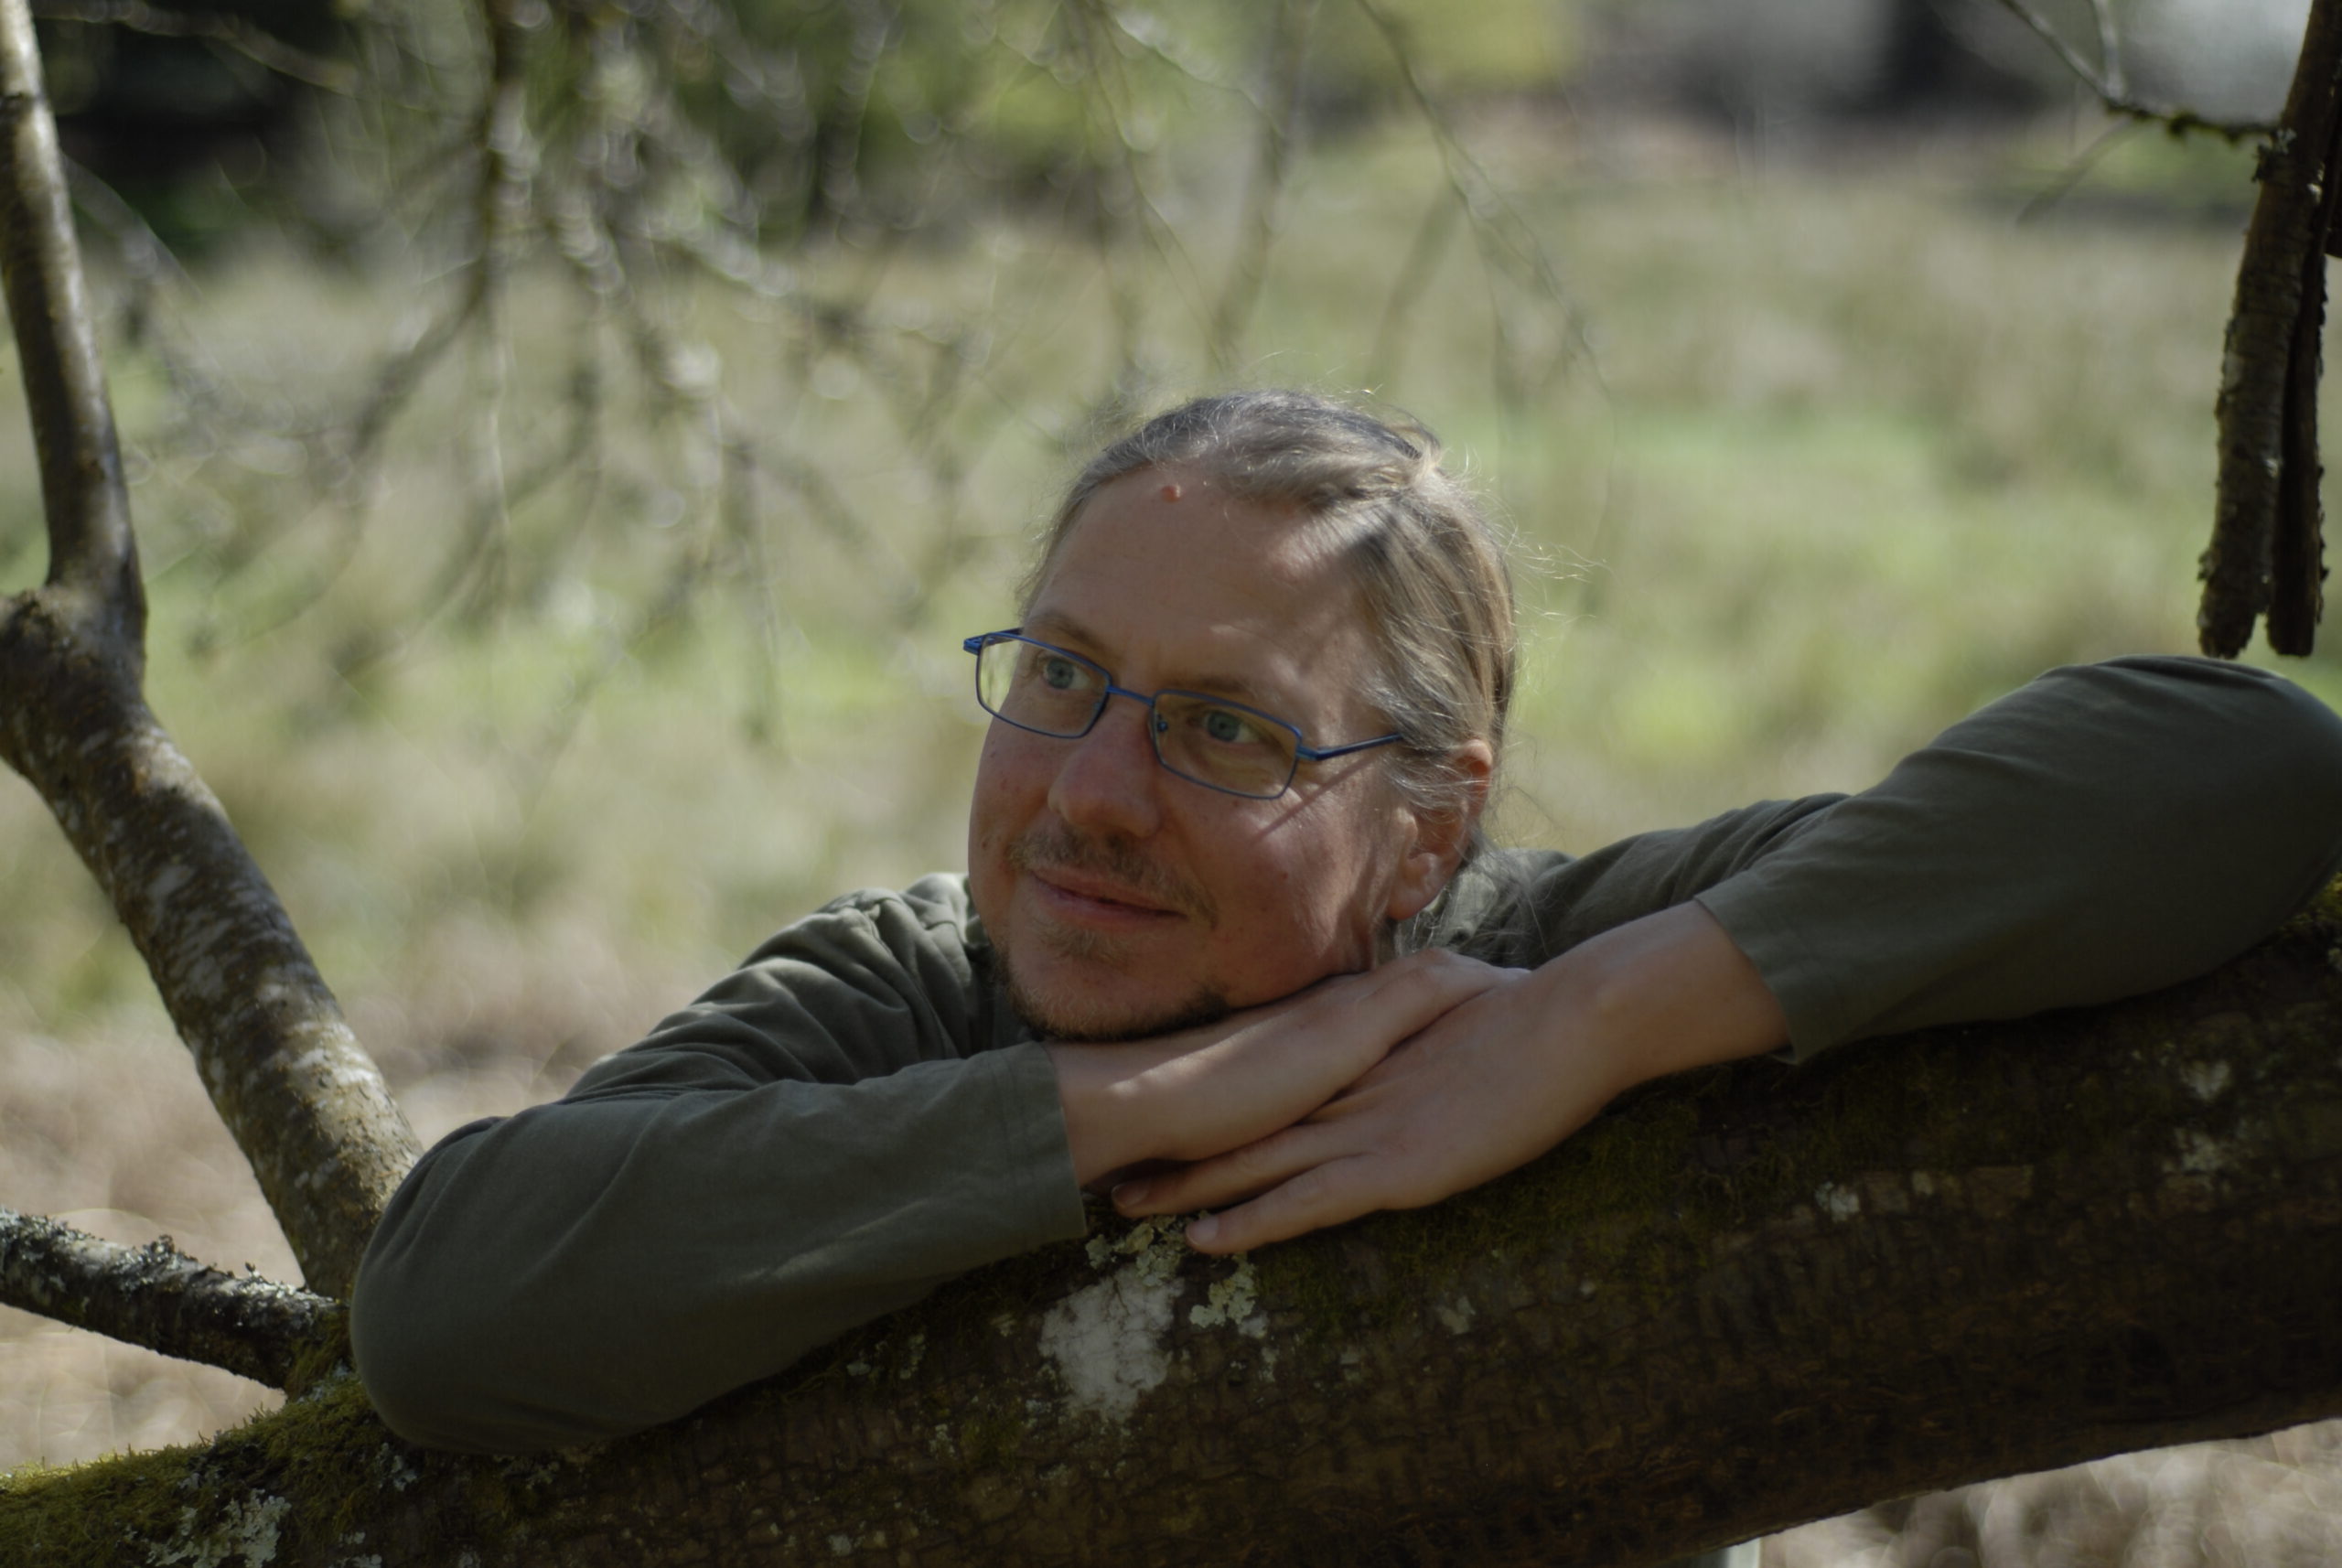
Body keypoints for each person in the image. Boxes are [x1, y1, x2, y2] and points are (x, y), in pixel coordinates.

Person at [350, 390, 2342, 1476]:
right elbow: (447, 1308)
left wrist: (1593, 1028)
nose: (1092, 793)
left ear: (1426, 822)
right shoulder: (905, 984)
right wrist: (1156, 1097)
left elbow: (2240, 763)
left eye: (1225, 729)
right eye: (1058, 676)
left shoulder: (1547, 946)